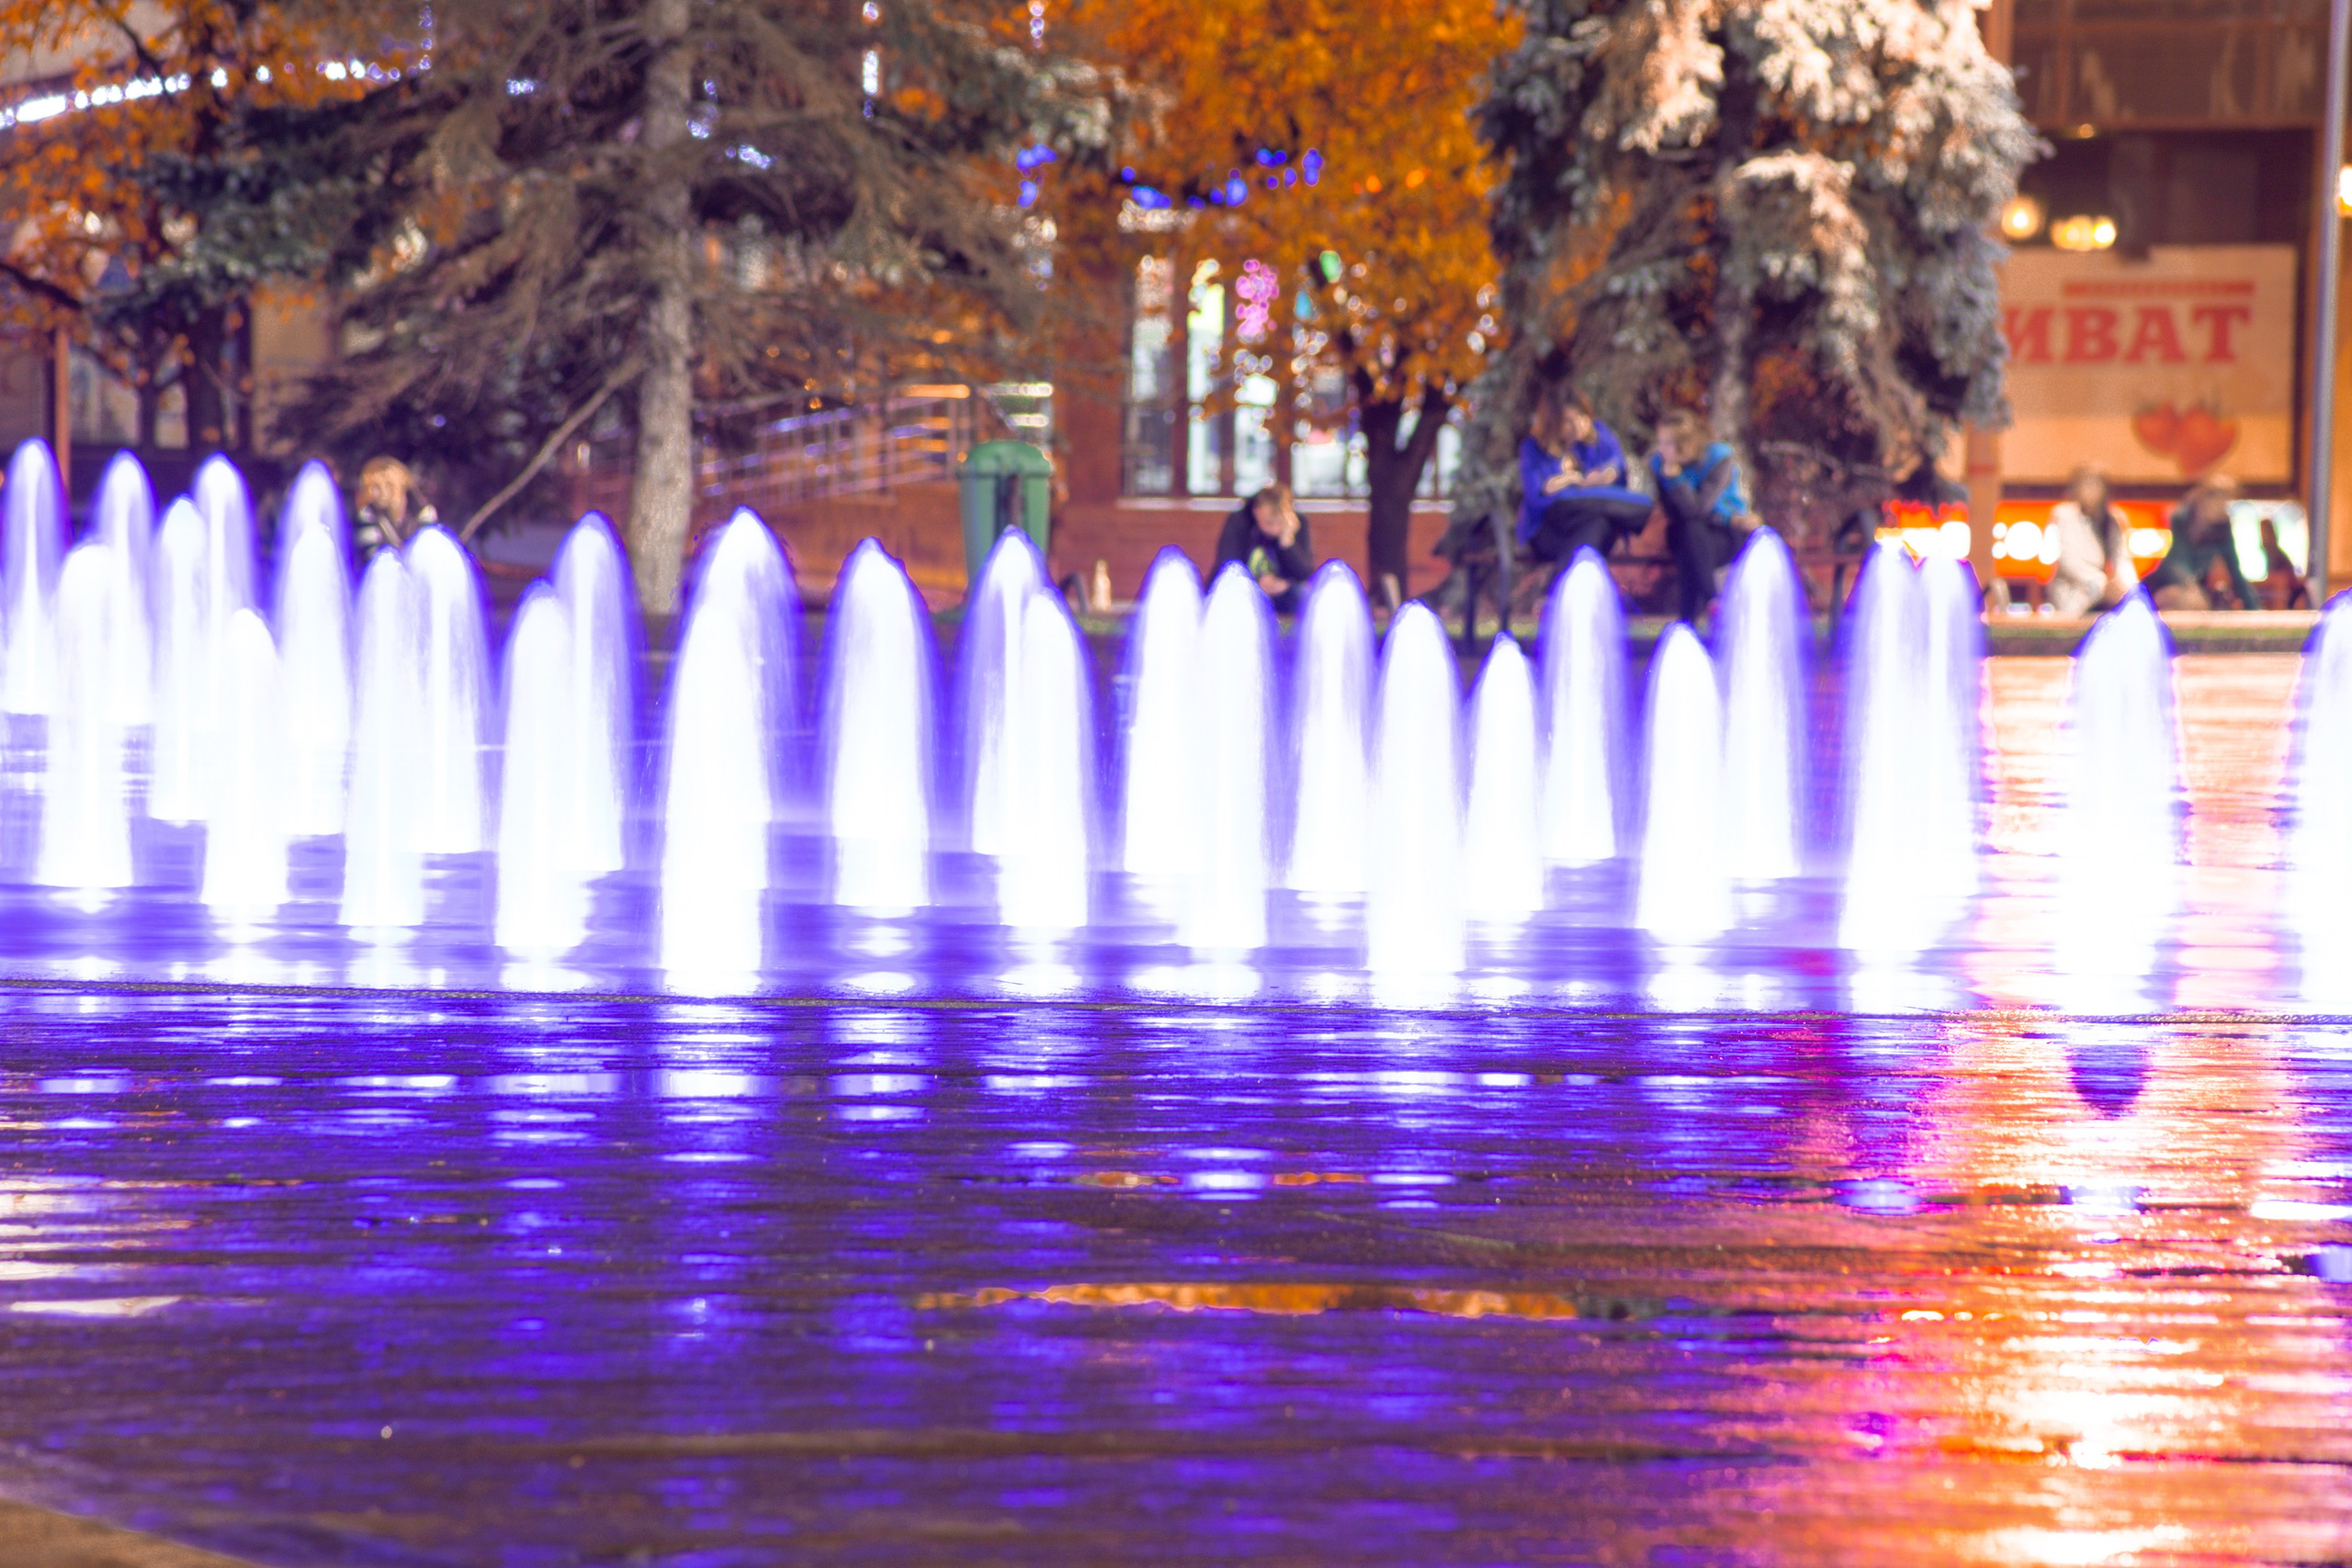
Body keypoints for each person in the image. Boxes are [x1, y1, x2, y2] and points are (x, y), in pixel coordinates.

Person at [1517, 388, 1655, 568]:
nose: (1574, 426)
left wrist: (1598, 463)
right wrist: (1573, 484)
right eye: (1567, 421)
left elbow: (1617, 471)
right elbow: (1537, 498)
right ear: (1553, 421)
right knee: (1592, 515)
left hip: (1589, 525)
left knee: (1598, 524)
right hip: (1550, 529)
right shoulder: (1534, 448)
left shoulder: (1597, 436)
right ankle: (1639, 510)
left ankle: (1559, 589)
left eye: (1579, 417)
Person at [1648, 409, 1755, 621]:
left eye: (1667, 443)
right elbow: (1678, 512)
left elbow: (1699, 508)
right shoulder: (1660, 464)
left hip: (1725, 533)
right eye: (1660, 442)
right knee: (1689, 533)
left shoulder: (1718, 459)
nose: (1661, 449)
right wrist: (1673, 479)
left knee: (1691, 543)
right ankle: (1711, 601)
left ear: (1685, 445)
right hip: (1683, 534)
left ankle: (1689, 623)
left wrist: (1677, 481)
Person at [2147, 474, 2257, 611]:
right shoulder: (2181, 518)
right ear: (2205, 499)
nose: (2223, 506)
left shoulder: (2222, 525)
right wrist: (2191, 588)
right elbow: (2178, 561)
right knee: (2187, 600)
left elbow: (2234, 569)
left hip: (2195, 588)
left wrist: (2254, 608)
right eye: (2219, 498)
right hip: (2167, 584)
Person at [2045, 465, 2136, 617]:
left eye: (2097, 484)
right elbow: (2070, 562)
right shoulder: (2064, 515)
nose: (2093, 490)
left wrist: (2130, 589)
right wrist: (2102, 586)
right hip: (2073, 595)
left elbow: (2122, 559)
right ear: (2076, 488)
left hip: (2106, 598)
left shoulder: (2112, 520)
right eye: (2088, 484)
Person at [1214, 482, 1315, 613]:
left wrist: (1287, 542)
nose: (1275, 529)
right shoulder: (1240, 522)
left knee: (1305, 594)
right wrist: (1256, 583)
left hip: (1284, 591)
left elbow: (1305, 574)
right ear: (1256, 512)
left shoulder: (1297, 524)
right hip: (1246, 590)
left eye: (1280, 522)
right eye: (1269, 523)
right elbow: (1227, 565)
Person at [355, 457, 436, 561]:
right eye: (371, 488)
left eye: (378, 487)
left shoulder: (425, 512)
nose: (374, 494)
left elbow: (428, 554)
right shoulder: (368, 514)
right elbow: (373, 557)